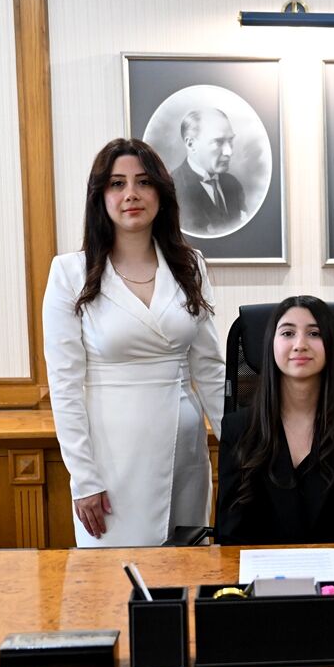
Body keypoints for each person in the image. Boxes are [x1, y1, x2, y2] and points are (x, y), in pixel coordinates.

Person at [43, 138, 225, 547]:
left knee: (185, 571)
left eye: (143, 182)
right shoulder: (70, 273)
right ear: (100, 196)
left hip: (184, 449)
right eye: (117, 183)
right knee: (114, 578)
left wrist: (245, 451)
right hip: (111, 460)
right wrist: (84, 478)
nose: (131, 194)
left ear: (161, 192)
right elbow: (64, 385)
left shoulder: (190, 266)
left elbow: (211, 370)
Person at [217, 296, 334, 545]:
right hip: (260, 568)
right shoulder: (237, 429)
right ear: (271, 345)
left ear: (331, 345)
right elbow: (229, 535)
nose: (300, 344)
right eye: (288, 333)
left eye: (314, 333)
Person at [171, 108, 246, 235]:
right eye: (218, 142)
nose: (229, 152)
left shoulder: (233, 184)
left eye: (230, 141)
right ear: (191, 144)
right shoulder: (171, 187)